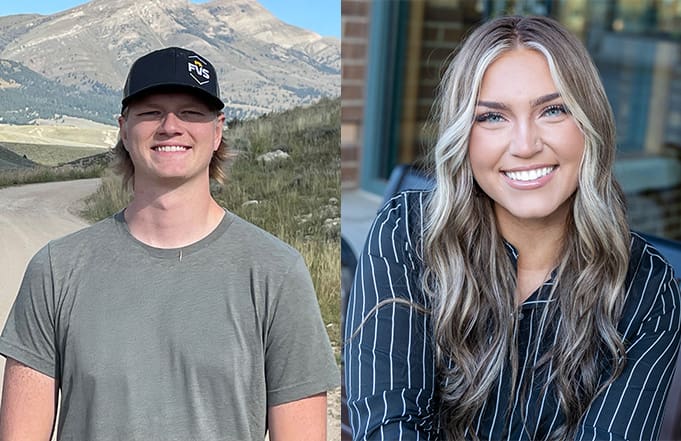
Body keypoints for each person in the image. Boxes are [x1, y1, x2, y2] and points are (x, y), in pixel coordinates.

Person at [344, 16, 681, 441]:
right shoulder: (409, 234)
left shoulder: (645, 288)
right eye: (492, 118)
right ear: (463, 136)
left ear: (589, 124)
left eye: (553, 110)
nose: (525, 145)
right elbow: (389, 428)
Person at [0, 46, 338, 440]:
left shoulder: (276, 273)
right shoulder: (56, 269)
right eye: (151, 112)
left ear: (218, 131)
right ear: (124, 129)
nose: (171, 126)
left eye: (192, 112)